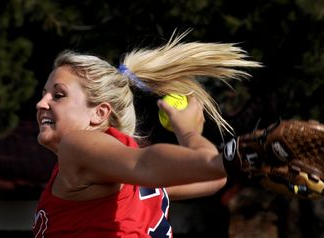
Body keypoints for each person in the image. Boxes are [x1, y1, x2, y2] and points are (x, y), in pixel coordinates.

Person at [32, 31, 261, 238]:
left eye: (58, 95)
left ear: (100, 113)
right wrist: (196, 140)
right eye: (44, 95)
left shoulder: (76, 145)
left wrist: (191, 133)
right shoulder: (121, 174)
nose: (41, 103)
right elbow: (211, 176)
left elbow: (148, 166)